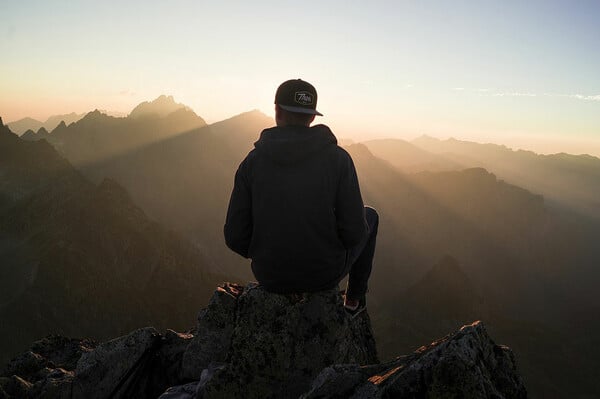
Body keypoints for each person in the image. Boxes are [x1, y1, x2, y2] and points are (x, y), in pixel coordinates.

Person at [224, 78, 378, 314]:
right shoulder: (339, 160)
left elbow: (235, 237)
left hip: (270, 275)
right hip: (323, 275)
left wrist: (267, 252)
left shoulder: (252, 163)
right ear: (313, 117)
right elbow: (355, 232)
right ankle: (353, 301)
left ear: (276, 111)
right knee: (370, 216)